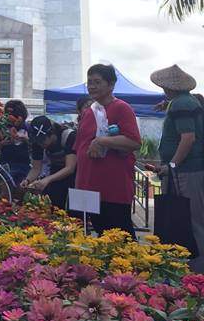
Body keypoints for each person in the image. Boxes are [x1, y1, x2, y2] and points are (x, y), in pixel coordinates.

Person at [74, 63, 141, 237]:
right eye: (89, 82)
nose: (92, 86)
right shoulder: (89, 112)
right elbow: (80, 149)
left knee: (120, 239)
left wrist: (102, 141)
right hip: (87, 185)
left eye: (97, 81)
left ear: (111, 85)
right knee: (96, 236)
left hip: (112, 188)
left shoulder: (121, 108)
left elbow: (133, 141)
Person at [150, 64, 204, 271]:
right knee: (190, 218)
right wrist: (167, 105)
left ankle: (197, 271)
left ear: (167, 87)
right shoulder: (184, 102)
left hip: (186, 171)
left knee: (191, 220)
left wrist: (172, 164)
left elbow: (188, 138)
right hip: (187, 170)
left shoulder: (182, 104)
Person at [22, 116, 77, 211]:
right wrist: (27, 181)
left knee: (73, 210)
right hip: (55, 174)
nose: (40, 144)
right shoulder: (37, 143)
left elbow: (70, 168)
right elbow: (36, 168)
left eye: (42, 140)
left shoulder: (69, 136)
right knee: (55, 207)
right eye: (37, 141)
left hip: (75, 176)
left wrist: (47, 179)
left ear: (51, 133)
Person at [0, 99, 30, 185]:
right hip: (6, 163)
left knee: (21, 190)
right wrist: (1, 144)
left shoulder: (28, 127)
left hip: (24, 165)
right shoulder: (2, 127)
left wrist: (26, 140)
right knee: (5, 193)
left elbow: (35, 146)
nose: (15, 120)